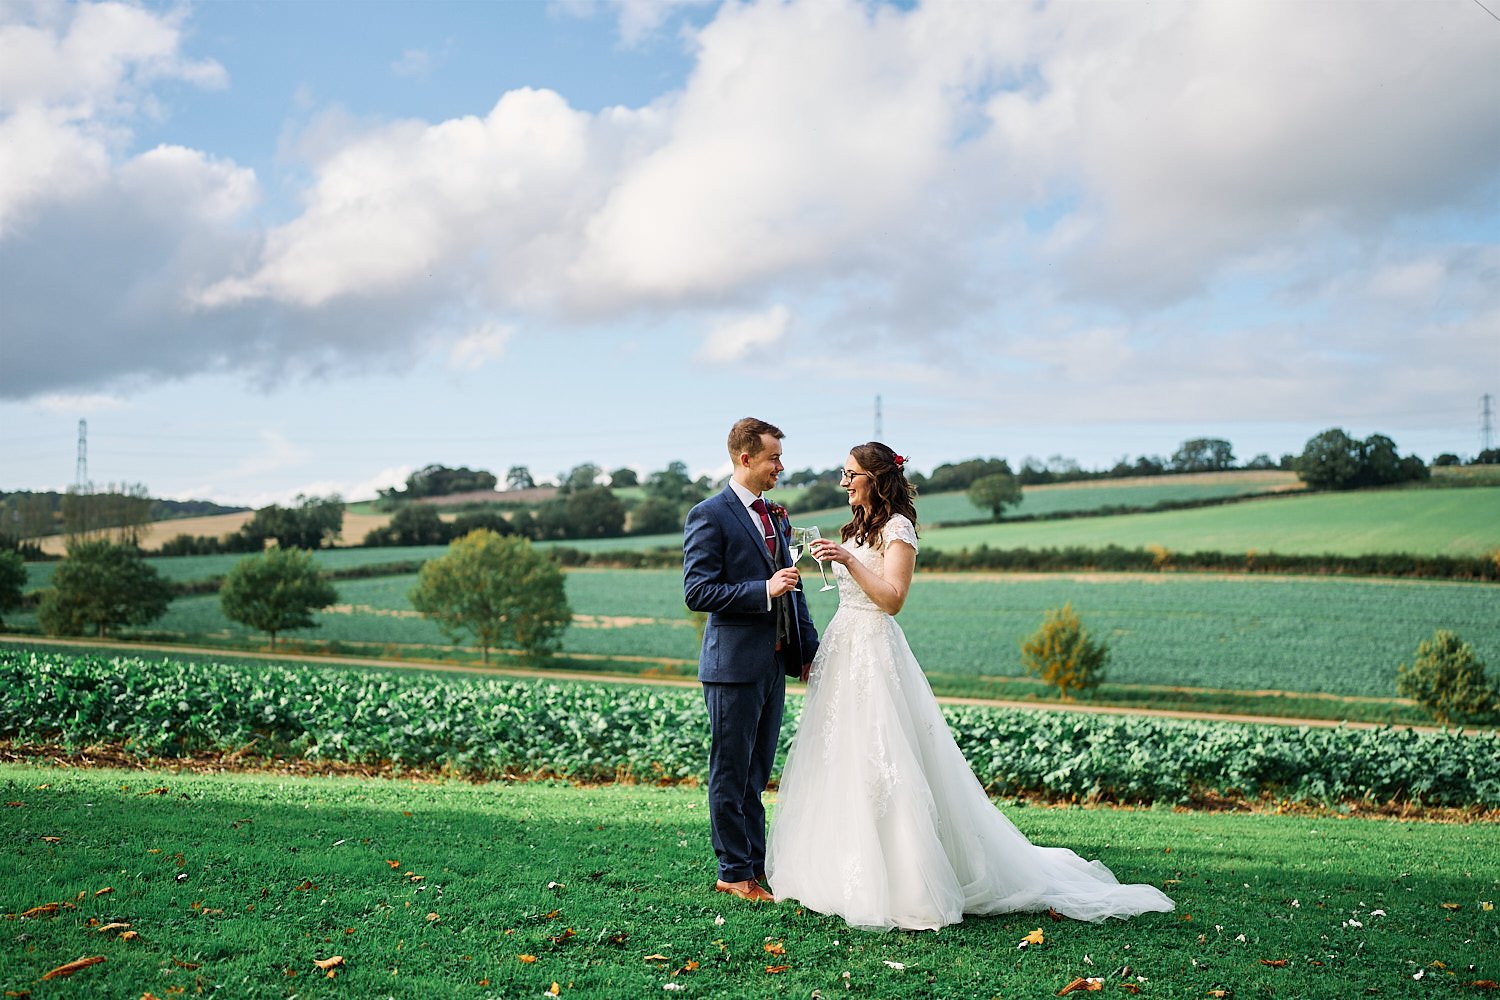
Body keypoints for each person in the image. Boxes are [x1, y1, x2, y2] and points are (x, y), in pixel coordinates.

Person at [765, 442, 1174, 931]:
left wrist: (849, 563)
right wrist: (831, 557)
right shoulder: (856, 526)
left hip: (875, 648)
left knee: (885, 757)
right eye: (843, 473)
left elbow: (893, 600)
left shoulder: (899, 528)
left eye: (851, 473)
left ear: (877, 477)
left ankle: (904, 880)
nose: (844, 481)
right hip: (842, 646)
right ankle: (836, 869)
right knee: (841, 754)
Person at [684, 417, 819, 904]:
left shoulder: (774, 516)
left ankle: (755, 869)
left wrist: (807, 651)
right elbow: (697, 591)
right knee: (731, 770)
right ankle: (733, 872)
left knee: (757, 773)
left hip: (773, 663)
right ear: (746, 458)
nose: (780, 466)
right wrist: (762, 589)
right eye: (773, 458)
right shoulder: (710, 515)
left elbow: (793, 590)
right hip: (731, 667)